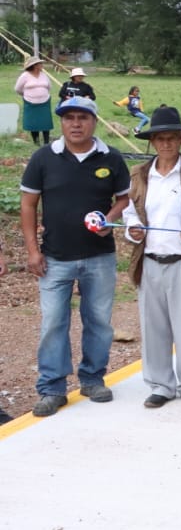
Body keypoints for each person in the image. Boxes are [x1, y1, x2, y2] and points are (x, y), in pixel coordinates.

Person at [20, 96, 130, 417]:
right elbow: (28, 205)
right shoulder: (43, 158)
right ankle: (52, 388)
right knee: (54, 322)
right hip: (54, 257)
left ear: (94, 121)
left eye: (83, 117)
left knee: (98, 321)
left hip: (99, 256)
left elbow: (124, 199)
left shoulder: (111, 157)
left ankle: (93, 378)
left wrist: (109, 219)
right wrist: (32, 250)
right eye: (69, 118)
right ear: (61, 123)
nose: (76, 124)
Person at [123, 107, 181, 408]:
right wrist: (133, 229)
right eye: (160, 138)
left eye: (172, 138)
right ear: (152, 142)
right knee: (153, 326)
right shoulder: (138, 175)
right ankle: (161, 384)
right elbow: (128, 212)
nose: (166, 144)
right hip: (150, 259)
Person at [15, 55, 53, 146]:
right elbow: (18, 89)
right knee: (34, 123)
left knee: (45, 123)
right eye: (40, 63)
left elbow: (49, 87)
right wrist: (27, 95)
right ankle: (36, 143)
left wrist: (41, 93)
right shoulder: (25, 76)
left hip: (44, 102)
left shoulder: (44, 75)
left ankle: (46, 142)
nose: (42, 65)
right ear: (34, 65)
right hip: (30, 103)